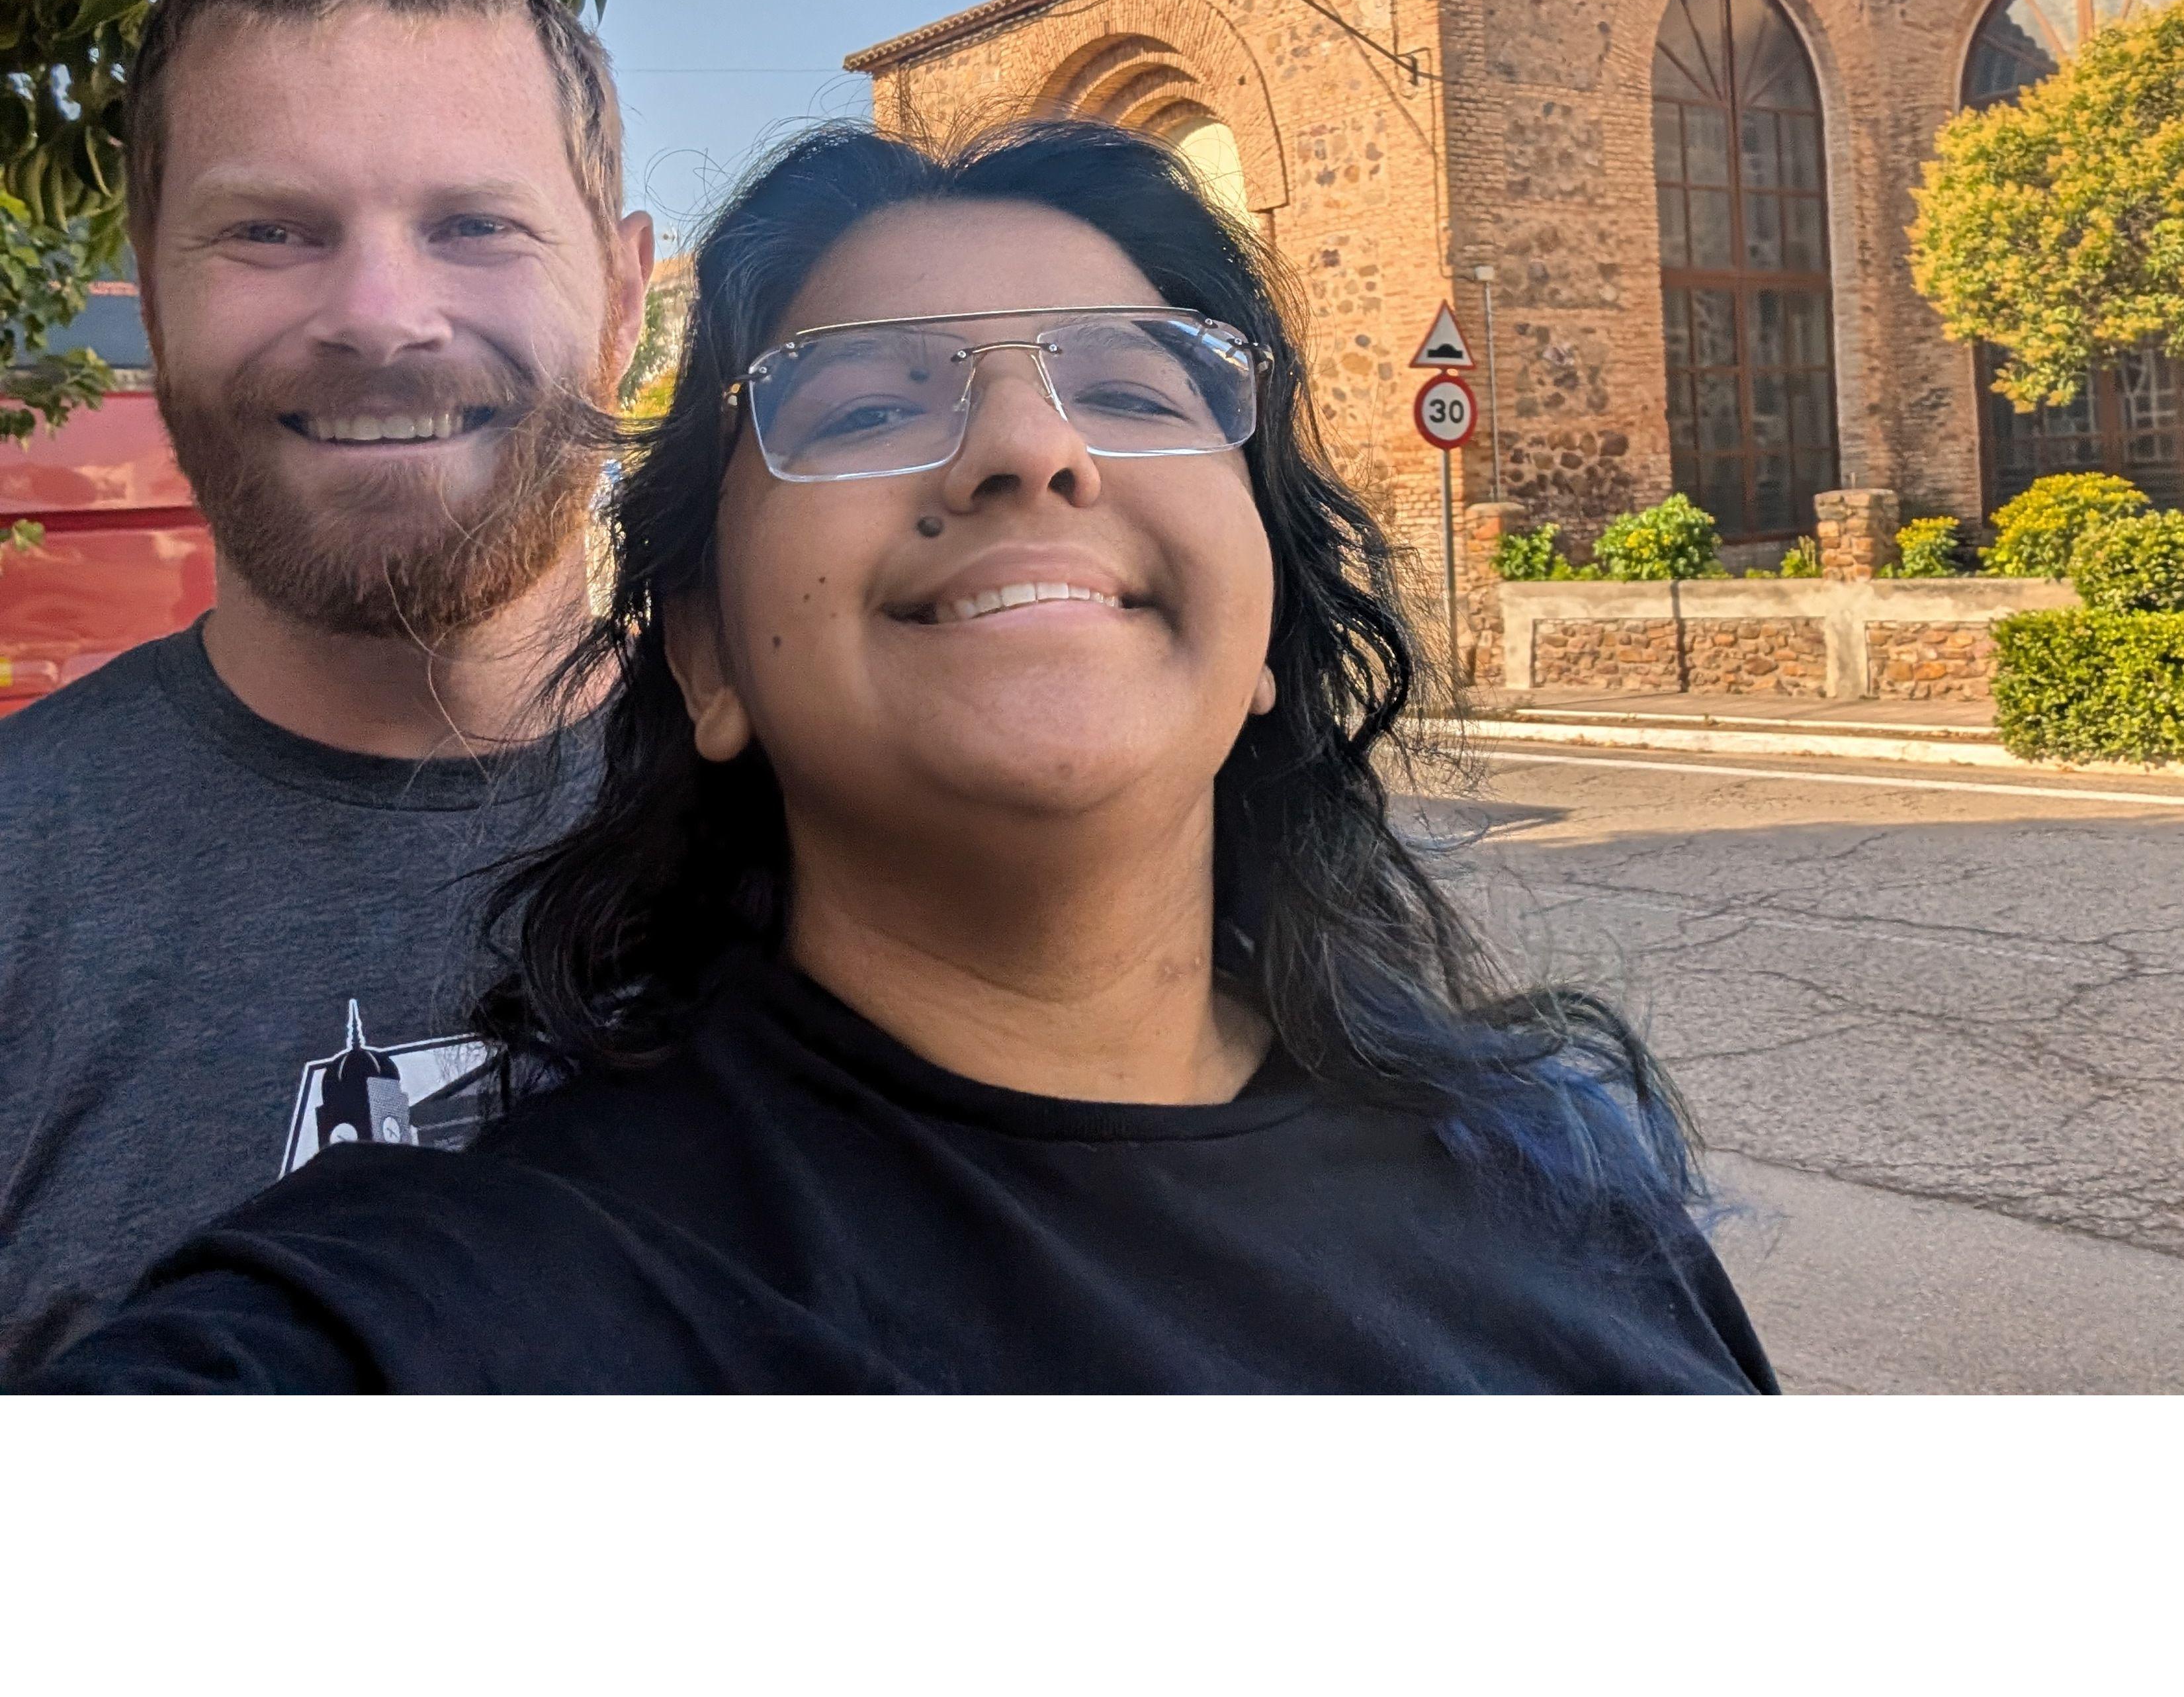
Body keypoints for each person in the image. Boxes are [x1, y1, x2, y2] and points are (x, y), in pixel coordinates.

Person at [22, 120, 1774, 1393]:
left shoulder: (1567, 1185)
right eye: (866, 405)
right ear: (706, 656)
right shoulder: (463, 1308)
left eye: (1134, 385)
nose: (1027, 446)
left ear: (1262, 636)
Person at [0, 0, 652, 1377]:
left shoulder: (858, 833)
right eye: (269, 232)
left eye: (474, 226)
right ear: (153, 296)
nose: (378, 316)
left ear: (623, 297)